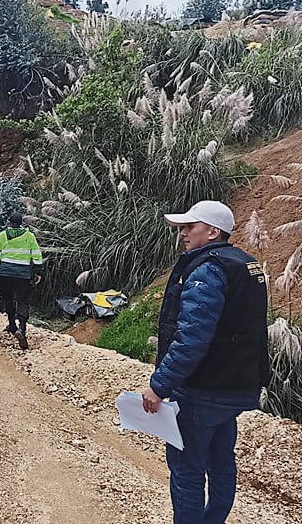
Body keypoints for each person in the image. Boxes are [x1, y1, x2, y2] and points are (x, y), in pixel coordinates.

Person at [141, 200, 269, 524]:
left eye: (190, 226)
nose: (183, 233)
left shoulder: (208, 270)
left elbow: (192, 339)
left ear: (213, 232)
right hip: (234, 388)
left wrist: (159, 386)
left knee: (187, 469)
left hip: (202, 389)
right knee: (221, 462)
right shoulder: (246, 264)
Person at [0, 212, 43, 350]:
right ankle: (22, 329)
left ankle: (12, 324)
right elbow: (37, 254)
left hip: (5, 274)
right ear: (21, 223)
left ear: (9, 222)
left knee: (8, 299)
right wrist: (38, 272)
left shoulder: (2, 236)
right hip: (23, 275)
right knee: (22, 300)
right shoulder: (29, 236)